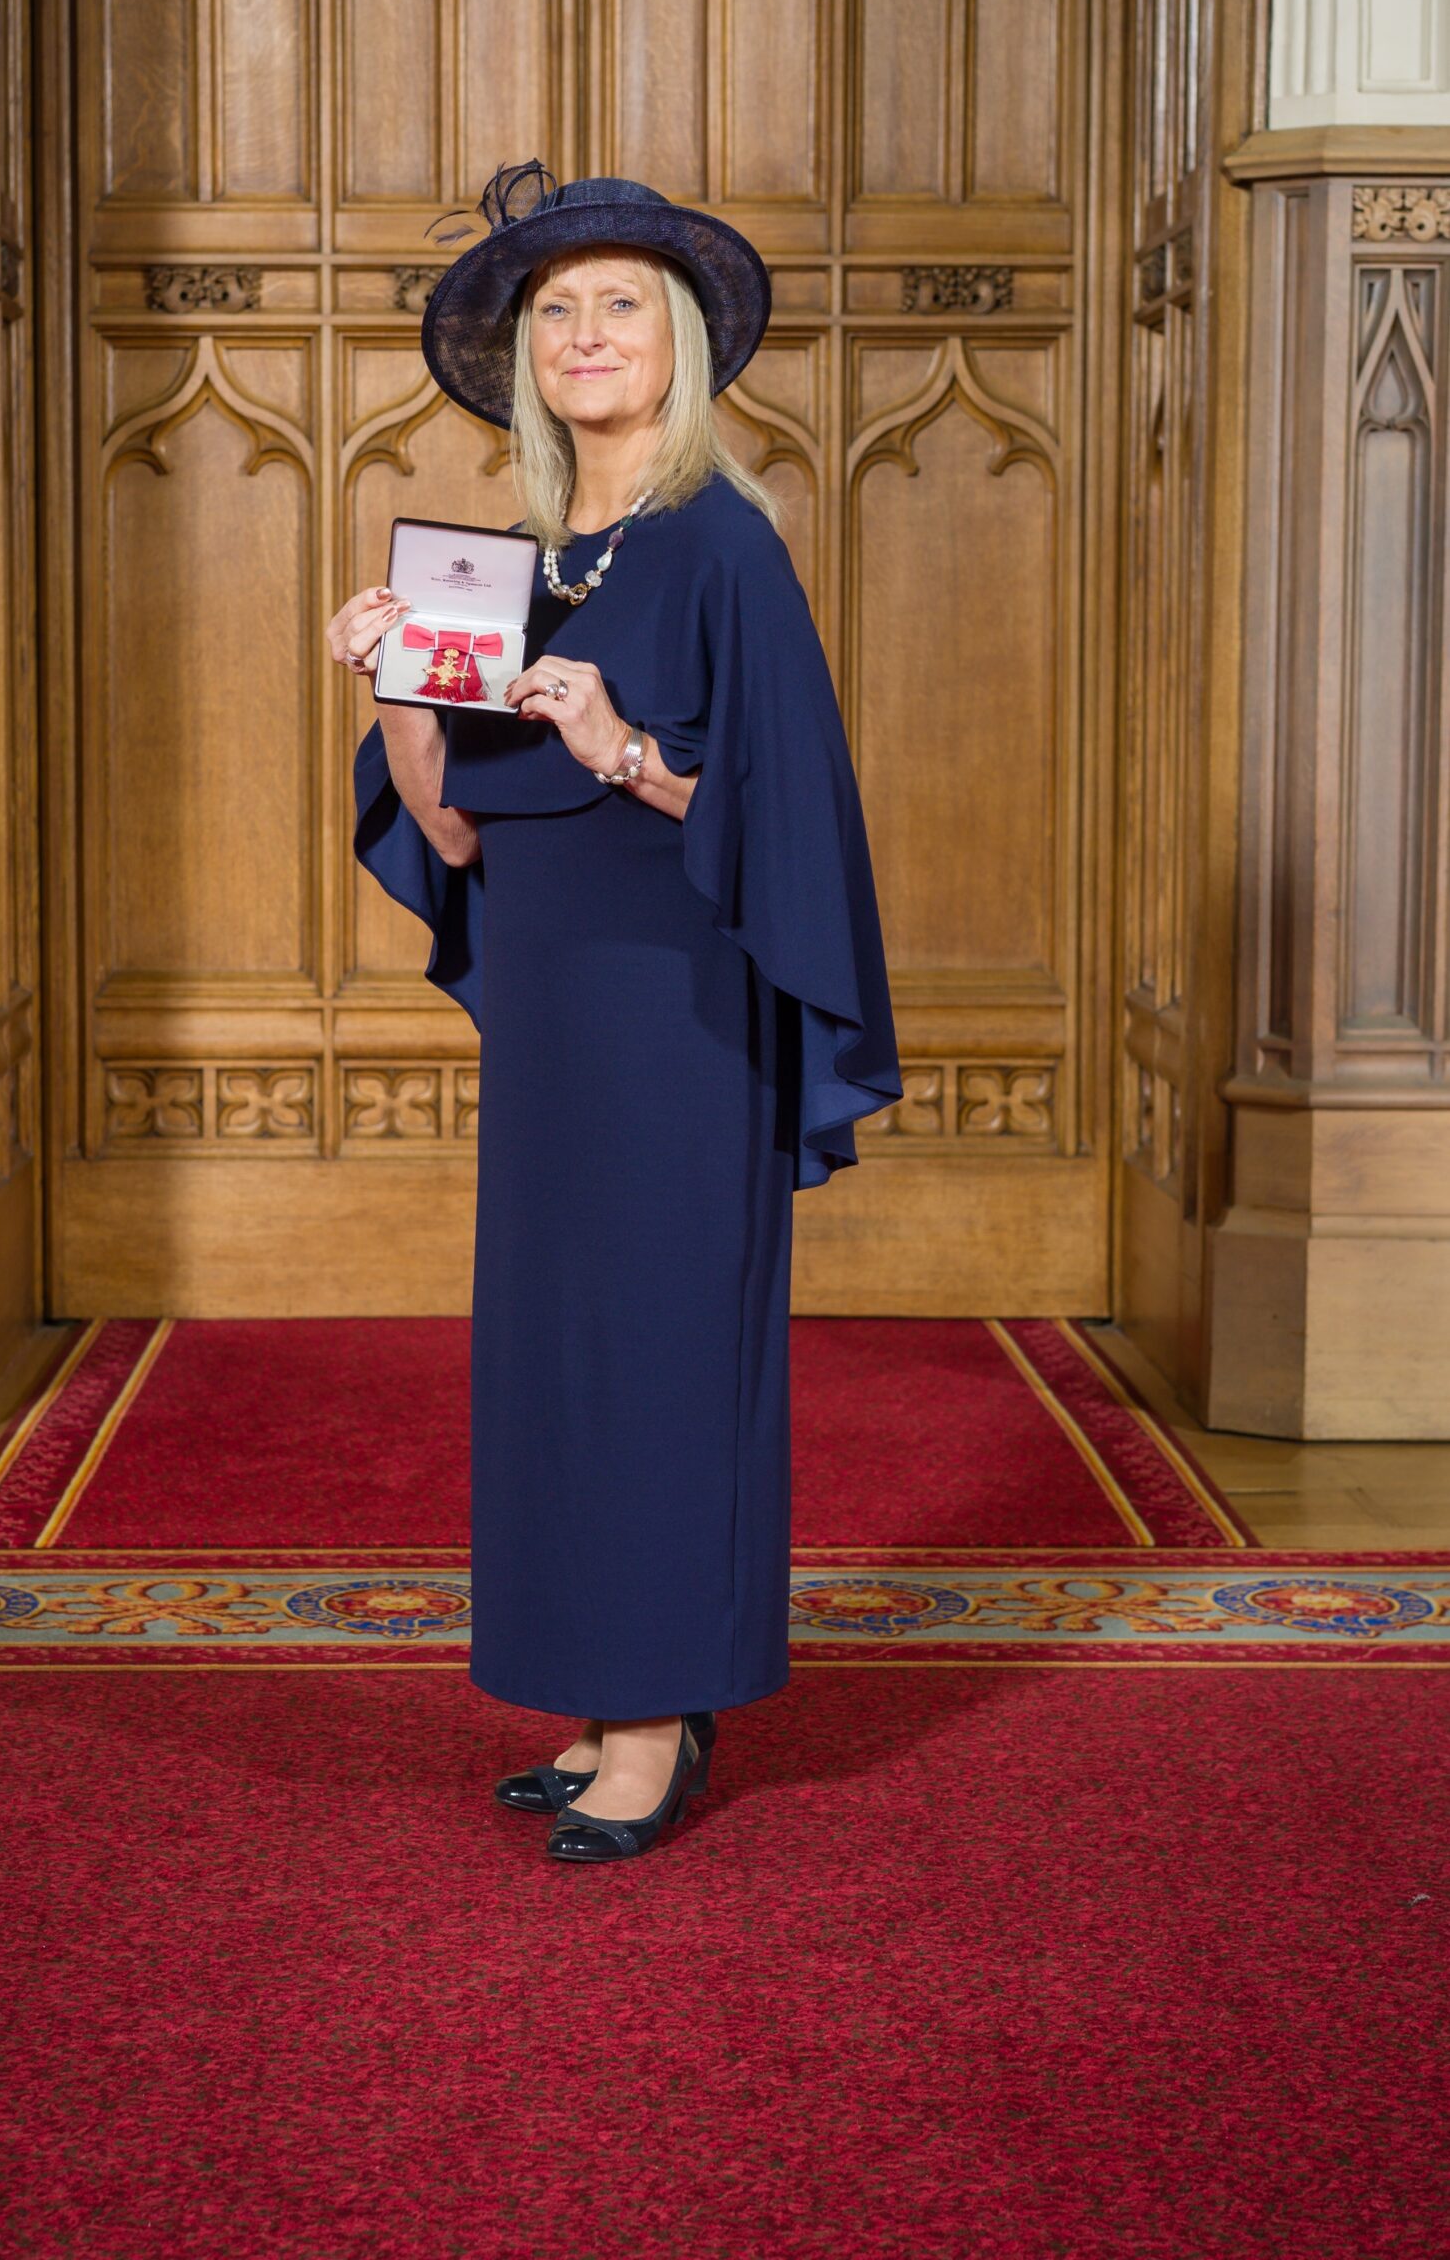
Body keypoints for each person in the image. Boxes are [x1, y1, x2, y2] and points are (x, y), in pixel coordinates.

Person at [329, 161, 900, 1864]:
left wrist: (627, 753)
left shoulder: (727, 545)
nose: (587, 334)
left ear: (684, 345)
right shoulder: (518, 567)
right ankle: (600, 1693)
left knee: (659, 1349)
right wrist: (395, 693)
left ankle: (659, 1718)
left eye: (622, 305)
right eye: (560, 310)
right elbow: (445, 832)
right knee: (565, 1353)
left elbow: (791, 814)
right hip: (563, 1024)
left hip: (679, 1016)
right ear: (526, 355)